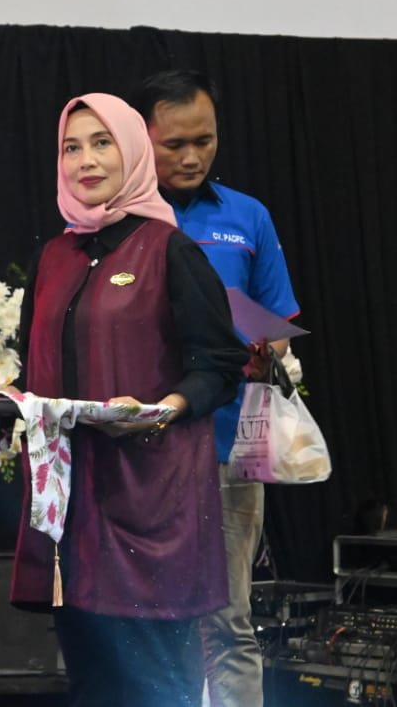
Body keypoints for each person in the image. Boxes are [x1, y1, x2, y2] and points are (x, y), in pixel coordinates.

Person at [12, 93, 247, 706]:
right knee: (90, 682)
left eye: (102, 143)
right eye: (71, 147)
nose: (85, 160)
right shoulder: (53, 257)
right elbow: (30, 365)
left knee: (156, 685)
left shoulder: (170, 250)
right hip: (72, 508)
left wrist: (166, 408)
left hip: (150, 499)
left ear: (134, 151)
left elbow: (221, 365)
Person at [130, 70, 301, 707]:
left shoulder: (247, 217)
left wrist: (264, 353)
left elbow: (277, 327)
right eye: (174, 144)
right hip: (140, 448)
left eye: (204, 140)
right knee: (138, 618)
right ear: (142, 138)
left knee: (229, 620)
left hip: (228, 443)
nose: (192, 156)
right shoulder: (118, 218)